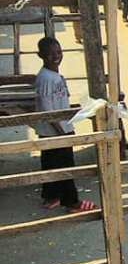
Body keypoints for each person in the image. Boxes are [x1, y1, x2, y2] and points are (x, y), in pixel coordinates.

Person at [34, 37, 97, 213]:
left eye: (58, 52)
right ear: (41, 55)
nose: (56, 56)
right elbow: (48, 111)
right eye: (50, 54)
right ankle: (71, 202)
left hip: (58, 129)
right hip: (56, 131)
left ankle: (51, 196)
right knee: (66, 167)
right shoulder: (46, 78)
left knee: (51, 164)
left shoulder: (55, 76)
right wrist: (62, 133)